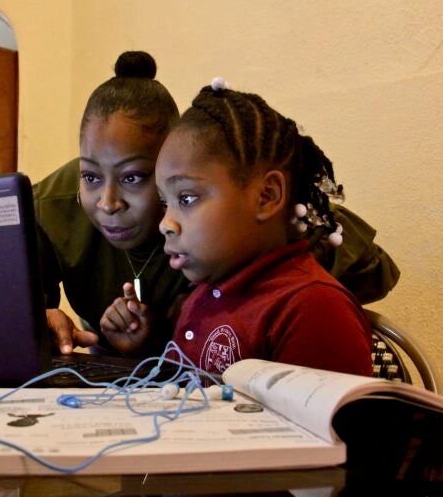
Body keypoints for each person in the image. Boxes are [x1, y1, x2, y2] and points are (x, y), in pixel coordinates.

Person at [34, 51, 396, 360]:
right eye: (90, 176)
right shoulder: (50, 204)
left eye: (134, 177)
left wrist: (271, 275)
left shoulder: (305, 303)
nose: (108, 202)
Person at [145, 78, 373, 375]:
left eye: (186, 198)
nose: (165, 223)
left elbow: (333, 422)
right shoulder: (204, 295)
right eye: (165, 203)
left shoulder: (313, 309)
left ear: (267, 197)